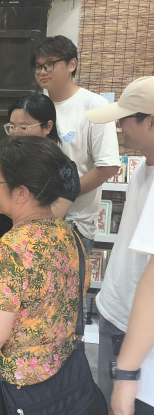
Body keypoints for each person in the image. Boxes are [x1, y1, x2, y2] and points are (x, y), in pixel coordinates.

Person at [0, 136, 91, 415]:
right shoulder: (69, 236)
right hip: (60, 375)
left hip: (11, 388)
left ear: (21, 193)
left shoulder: (13, 250)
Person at [86, 76, 154, 415]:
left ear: (151, 120)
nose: (119, 126)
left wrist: (127, 373)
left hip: (135, 329)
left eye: (125, 118)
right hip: (116, 312)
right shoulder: (144, 166)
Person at [0, 93, 81, 269]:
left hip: (32, 250)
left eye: (24, 127)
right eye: (12, 126)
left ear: (48, 126)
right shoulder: (5, 160)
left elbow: (51, 218)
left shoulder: (63, 169)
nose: (16, 133)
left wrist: (3, 189)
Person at [31, 35, 121, 253]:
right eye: (38, 66)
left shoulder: (94, 105)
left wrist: (62, 196)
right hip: (32, 218)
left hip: (74, 224)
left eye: (50, 64)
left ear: (72, 64)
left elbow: (107, 166)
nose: (42, 71)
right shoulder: (35, 105)